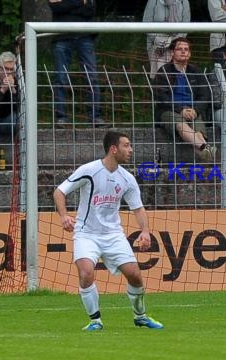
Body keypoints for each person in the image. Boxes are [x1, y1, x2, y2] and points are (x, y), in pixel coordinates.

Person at [52, 131, 163, 331]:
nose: (130, 150)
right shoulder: (89, 170)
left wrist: (145, 231)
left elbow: (137, 208)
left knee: (135, 275)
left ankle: (140, 316)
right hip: (86, 234)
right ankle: (95, 321)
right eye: (126, 145)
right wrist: (63, 215)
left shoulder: (127, 178)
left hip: (113, 235)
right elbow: (60, 191)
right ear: (114, 149)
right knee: (86, 273)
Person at [154, 37, 216, 162]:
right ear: (172, 53)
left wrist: (195, 110)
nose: (183, 52)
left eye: (186, 49)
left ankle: (205, 152)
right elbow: (162, 97)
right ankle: (206, 150)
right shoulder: (164, 71)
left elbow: (205, 95)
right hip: (169, 111)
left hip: (192, 111)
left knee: (199, 130)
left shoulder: (196, 72)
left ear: (190, 53)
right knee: (181, 124)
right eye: (179, 49)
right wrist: (181, 110)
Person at [48, 0, 108, 129]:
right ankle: (61, 117)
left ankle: (95, 117)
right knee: (61, 78)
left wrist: (68, 5)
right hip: (61, 36)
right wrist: (80, 2)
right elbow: (55, 7)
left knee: (91, 77)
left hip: (85, 36)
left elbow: (90, 10)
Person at [142, 0, 191, 80]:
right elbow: (146, 23)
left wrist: (174, 42)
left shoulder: (184, 2)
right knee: (159, 77)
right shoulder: (153, 1)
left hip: (177, 44)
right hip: (157, 43)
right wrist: (156, 39)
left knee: (177, 75)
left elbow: (186, 26)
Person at [0, 51, 19, 168]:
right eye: (5, 69)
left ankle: (27, 159)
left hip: (9, 122)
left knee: (24, 117)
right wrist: (2, 90)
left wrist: (13, 90)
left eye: (11, 69)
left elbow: (22, 110)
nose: (8, 73)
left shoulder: (19, 82)